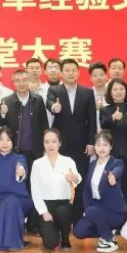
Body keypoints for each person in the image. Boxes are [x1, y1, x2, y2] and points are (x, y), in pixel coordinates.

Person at [45, 58, 95, 219]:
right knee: (60, 179)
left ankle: (78, 217)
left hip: (82, 145)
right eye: (67, 70)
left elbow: (92, 119)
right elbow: (49, 102)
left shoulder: (87, 92)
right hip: (62, 145)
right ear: (61, 73)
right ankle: (62, 218)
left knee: (79, 179)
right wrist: (54, 107)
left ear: (79, 72)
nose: (70, 73)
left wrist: (91, 142)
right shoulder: (55, 90)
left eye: (73, 70)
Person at [71, 131, 127, 253]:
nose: (101, 148)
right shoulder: (92, 165)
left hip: (115, 212)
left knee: (91, 211)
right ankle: (106, 231)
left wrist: (114, 177)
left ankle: (109, 239)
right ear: (95, 147)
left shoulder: (116, 162)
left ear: (111, 147)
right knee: (78, 231)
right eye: (98, 144)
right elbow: (86, 189)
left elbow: (118, 170)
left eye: (105, 145)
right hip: (96, 211)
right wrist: (87, 210)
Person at [31, 128, 81, 252]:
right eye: (47, 142)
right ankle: (51, 231)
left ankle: (65, 239)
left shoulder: (68, 161)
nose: (50, 145)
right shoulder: (37, 164)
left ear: (60, 143)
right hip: (46, 206)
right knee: (51, 244)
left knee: (64, 212)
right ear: (43, 144)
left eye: (54, 141)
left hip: (63, 205)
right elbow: (35, 191)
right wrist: (44, 212)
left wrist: (73, 177)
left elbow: (77, 179)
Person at [0, 127, 32, 252]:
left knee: (11, 201)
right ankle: (12, 239)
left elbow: (22, 169)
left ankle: (15, 243)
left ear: (13, 142)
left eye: (8, 140)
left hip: (19, 199)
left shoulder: (19, 158)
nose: (4, 143)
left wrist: (20, 172)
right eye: (1, 139)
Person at [99, 77, 127, 188]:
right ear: (110, 92)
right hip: (110, 154)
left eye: (121, 89)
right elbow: (103, 125)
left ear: (126, 91)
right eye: (115, 89)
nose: (118, 92)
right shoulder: (105, 110)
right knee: (111, 184)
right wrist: (113, 118)